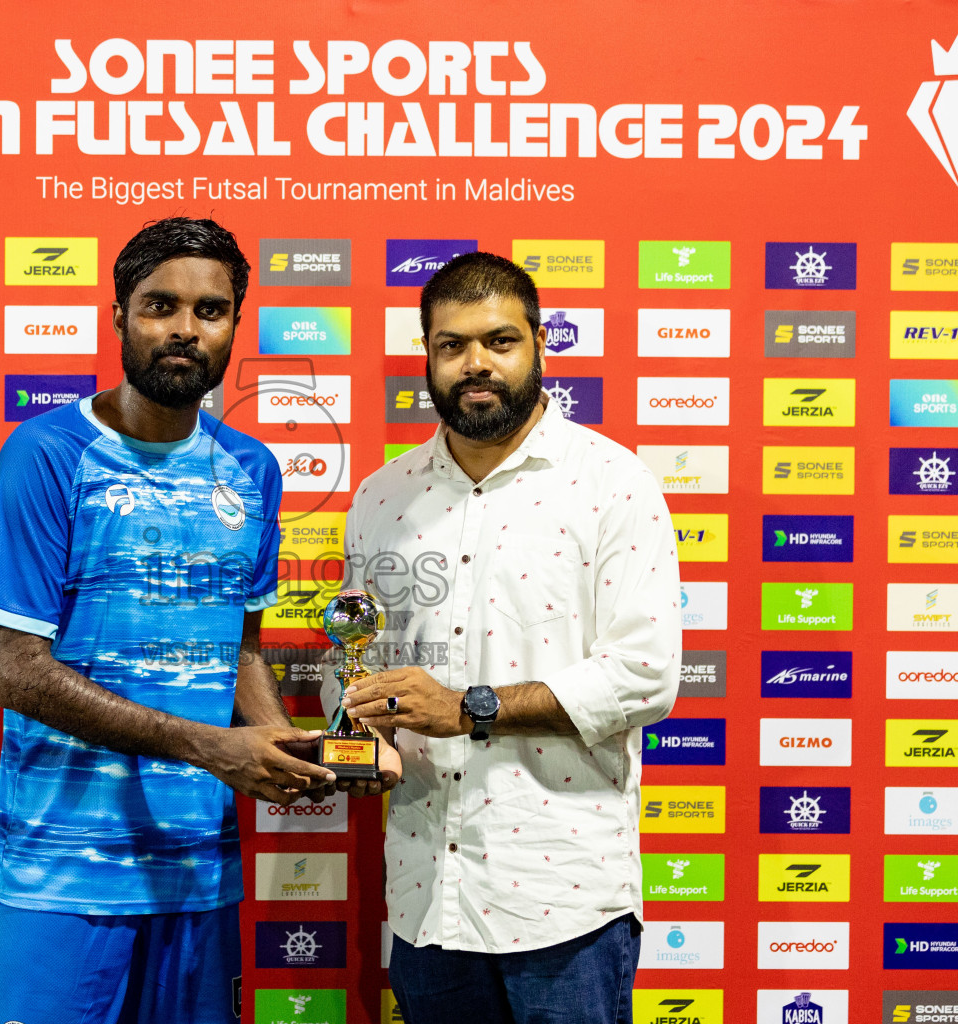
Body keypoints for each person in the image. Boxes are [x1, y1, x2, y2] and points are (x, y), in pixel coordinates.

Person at [0, 217, 333, 1024]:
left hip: (197, 873)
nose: (184, 329)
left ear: (236, 326)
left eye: (210, 312)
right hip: (60, 878)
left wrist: (288, 744)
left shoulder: (251, 468)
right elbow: (19, 672)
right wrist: (212, 746)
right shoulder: (46, 454)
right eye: (159, 305)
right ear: (118, 316)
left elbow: (237, 645)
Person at [334, 251, 681, 1024]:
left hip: (564, 908)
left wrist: (466, 708)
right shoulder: (382, 496)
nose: (475, 364)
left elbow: (645, 674)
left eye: (499, 341)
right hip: (428, 900)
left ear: (540, 348)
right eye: (451, 345)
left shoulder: (611, 483)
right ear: (428, 357)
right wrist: (364, 728)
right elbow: (356, 655)